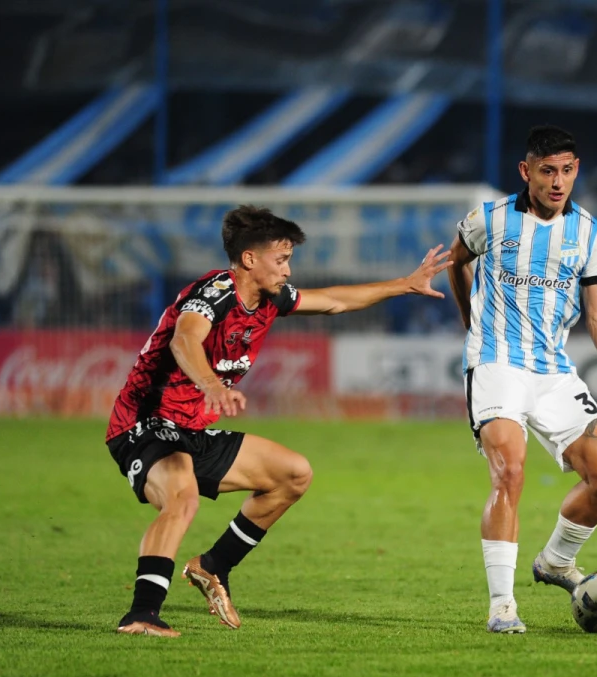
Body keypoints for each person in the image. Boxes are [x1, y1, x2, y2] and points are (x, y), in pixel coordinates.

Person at [107, 205, 451, 637]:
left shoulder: (272, 298)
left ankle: (213, 566)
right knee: (183, 497)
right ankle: (142, 613)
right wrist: (213, 385)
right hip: (144, 424)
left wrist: (405, 284)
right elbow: (184, 339)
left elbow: (335, 301)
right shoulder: (213, 293)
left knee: (293, 474)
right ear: (250, 259)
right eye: (282, 259)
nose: (288, 270)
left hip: (191, 429)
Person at [446, 125, 597, 633]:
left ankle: (556, 561)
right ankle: (502, 606)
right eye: (547, 171)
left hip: (553, 370)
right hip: (497, 363)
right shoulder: (490, 220)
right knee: (511, 472)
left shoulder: (590, 233)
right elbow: (456, 263)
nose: (558, 181)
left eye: (567, 170)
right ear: (527, 171)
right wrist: (469, 320)